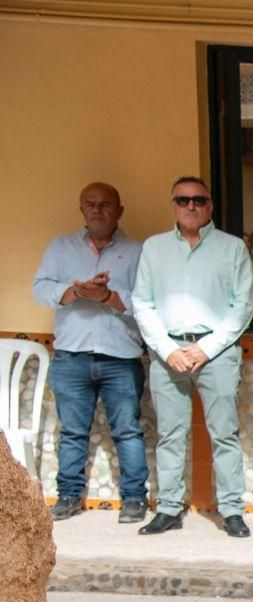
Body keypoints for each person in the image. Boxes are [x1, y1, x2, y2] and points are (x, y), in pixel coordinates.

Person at [129, 176, 253, 537]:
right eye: (182, 200)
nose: (190, 206)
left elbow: (243, 305)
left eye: (198, 200)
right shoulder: (153, 248)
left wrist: (206, 348)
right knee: (170, 434)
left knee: (224, 434)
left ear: (210, 206)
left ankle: (232, 510)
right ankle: (168, 507)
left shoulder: (232, 248)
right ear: (172, 206)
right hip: (167, 351)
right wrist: (168, 350)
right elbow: (143, 302)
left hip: (215, 353)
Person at [30, 182, 149, 524]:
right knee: (72, 431)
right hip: (72, 355)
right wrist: (73, 291)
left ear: (119, 210)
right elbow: (40, 288)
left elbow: (144, 301)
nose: (97, 210)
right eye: (90, 204)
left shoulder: (138, 251)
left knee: (127, 429)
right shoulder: (61, 247)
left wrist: (108, 297)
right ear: (81, 209)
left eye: (105, 204)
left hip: (120, 356)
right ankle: (67, 497)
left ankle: (134, 499)